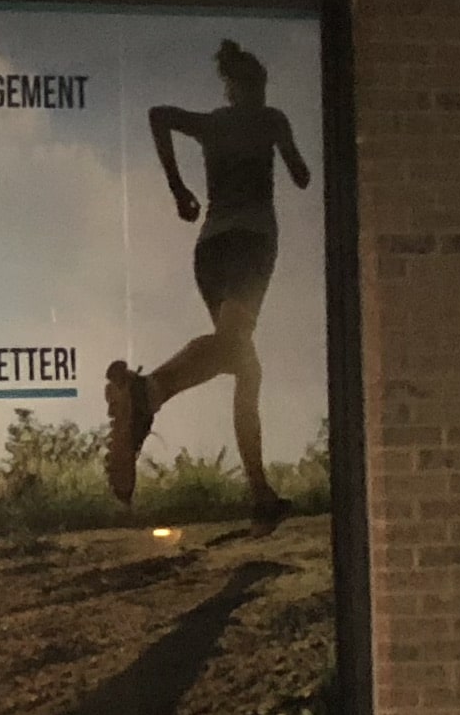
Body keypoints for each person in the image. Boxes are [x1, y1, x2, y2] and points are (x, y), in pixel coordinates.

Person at [106, 41, 313, 527]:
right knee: (234, 349)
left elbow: (159, 116)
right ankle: (148, 391)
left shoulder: (213, 124)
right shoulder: (271, 119)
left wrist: (178, 188)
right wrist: (285, 149)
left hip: (210, 249)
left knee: (243, 363)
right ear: (251, 88)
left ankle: (261, 494)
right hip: (252, 243)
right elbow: (302, 175)